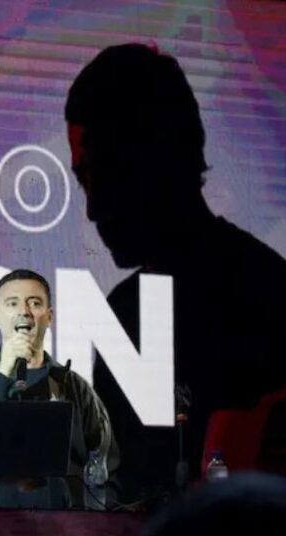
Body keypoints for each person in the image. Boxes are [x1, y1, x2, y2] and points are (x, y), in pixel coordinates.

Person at [65, 44, 286, 502]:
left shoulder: (268, 298)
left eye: (103, 173)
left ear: (156, 155)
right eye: (84, 180)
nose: (92, 208)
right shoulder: (124, 314)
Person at [0, 269, 118, 509]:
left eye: (34, 303)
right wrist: (3, 373)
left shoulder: (74, 386)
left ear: (49, 317)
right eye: (12, 303)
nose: (24, 311)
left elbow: (104, 462)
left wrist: (95, 519)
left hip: (62, 525)